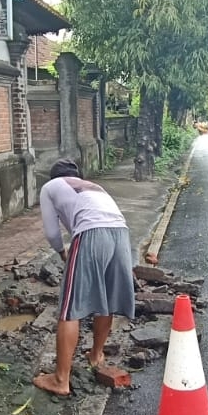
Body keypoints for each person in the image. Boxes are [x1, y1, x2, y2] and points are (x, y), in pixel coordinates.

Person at [33, 159, 135, 396]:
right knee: (107, 300)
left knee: (69, 308)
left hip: (91, 233)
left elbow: (51, 232)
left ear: (53, 176)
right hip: (120, 233)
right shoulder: (92, 186)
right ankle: (96, 355)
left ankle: (60, 380)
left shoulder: (50, 188)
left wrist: (62, 252)